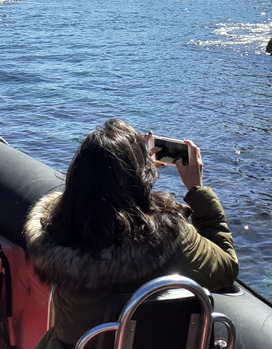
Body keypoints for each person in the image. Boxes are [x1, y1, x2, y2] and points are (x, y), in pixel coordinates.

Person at [24, 118, 238, 349]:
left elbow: (99, 205)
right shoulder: (173, 238)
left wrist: (135, 177)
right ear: (141, 176)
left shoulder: (56, 236)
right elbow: (227, 266)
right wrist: (196, 189)